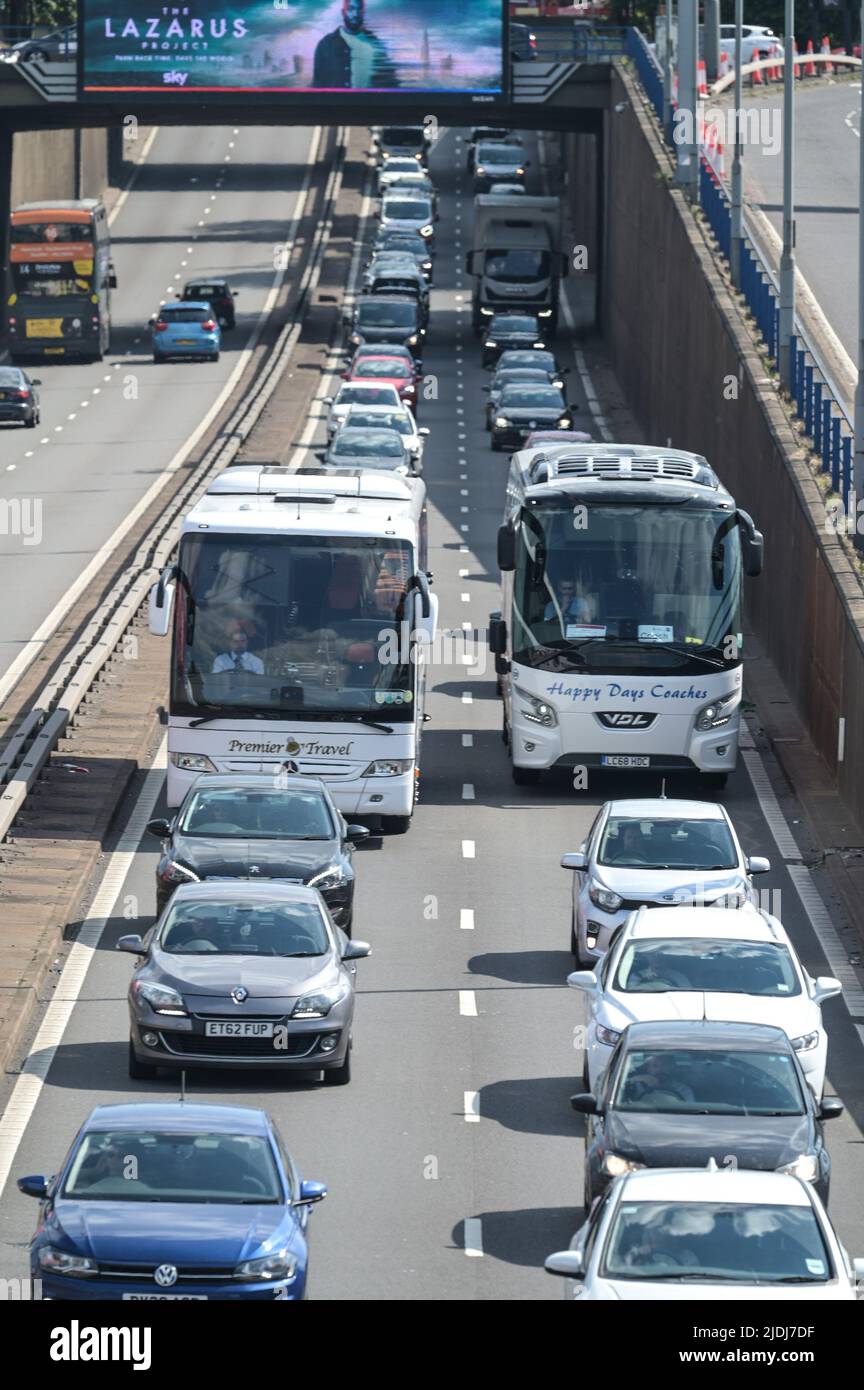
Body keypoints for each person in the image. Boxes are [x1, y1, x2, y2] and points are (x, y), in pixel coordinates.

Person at [312, 0, 400, 89]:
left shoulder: (375, 44)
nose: (356, 14)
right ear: (343, 12)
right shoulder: (326, 45)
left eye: (359, 9)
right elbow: (318, 84)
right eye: (351, 9)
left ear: (363, 12)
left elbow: (391, 83)